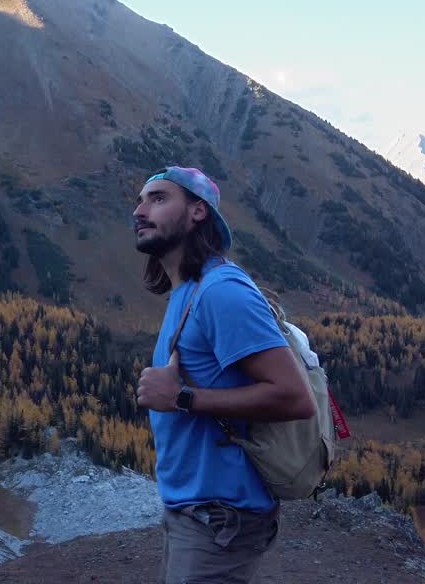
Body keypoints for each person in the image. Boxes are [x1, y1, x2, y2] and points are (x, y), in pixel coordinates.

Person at [133, 165, 316, 584]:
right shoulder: (188, 292)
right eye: (141, 201)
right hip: (195, 513)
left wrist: (181, 398)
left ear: (198, 212)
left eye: (158, 199)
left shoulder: (221, 292)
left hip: (220, 518)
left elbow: (294, 397)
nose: (140, 211)